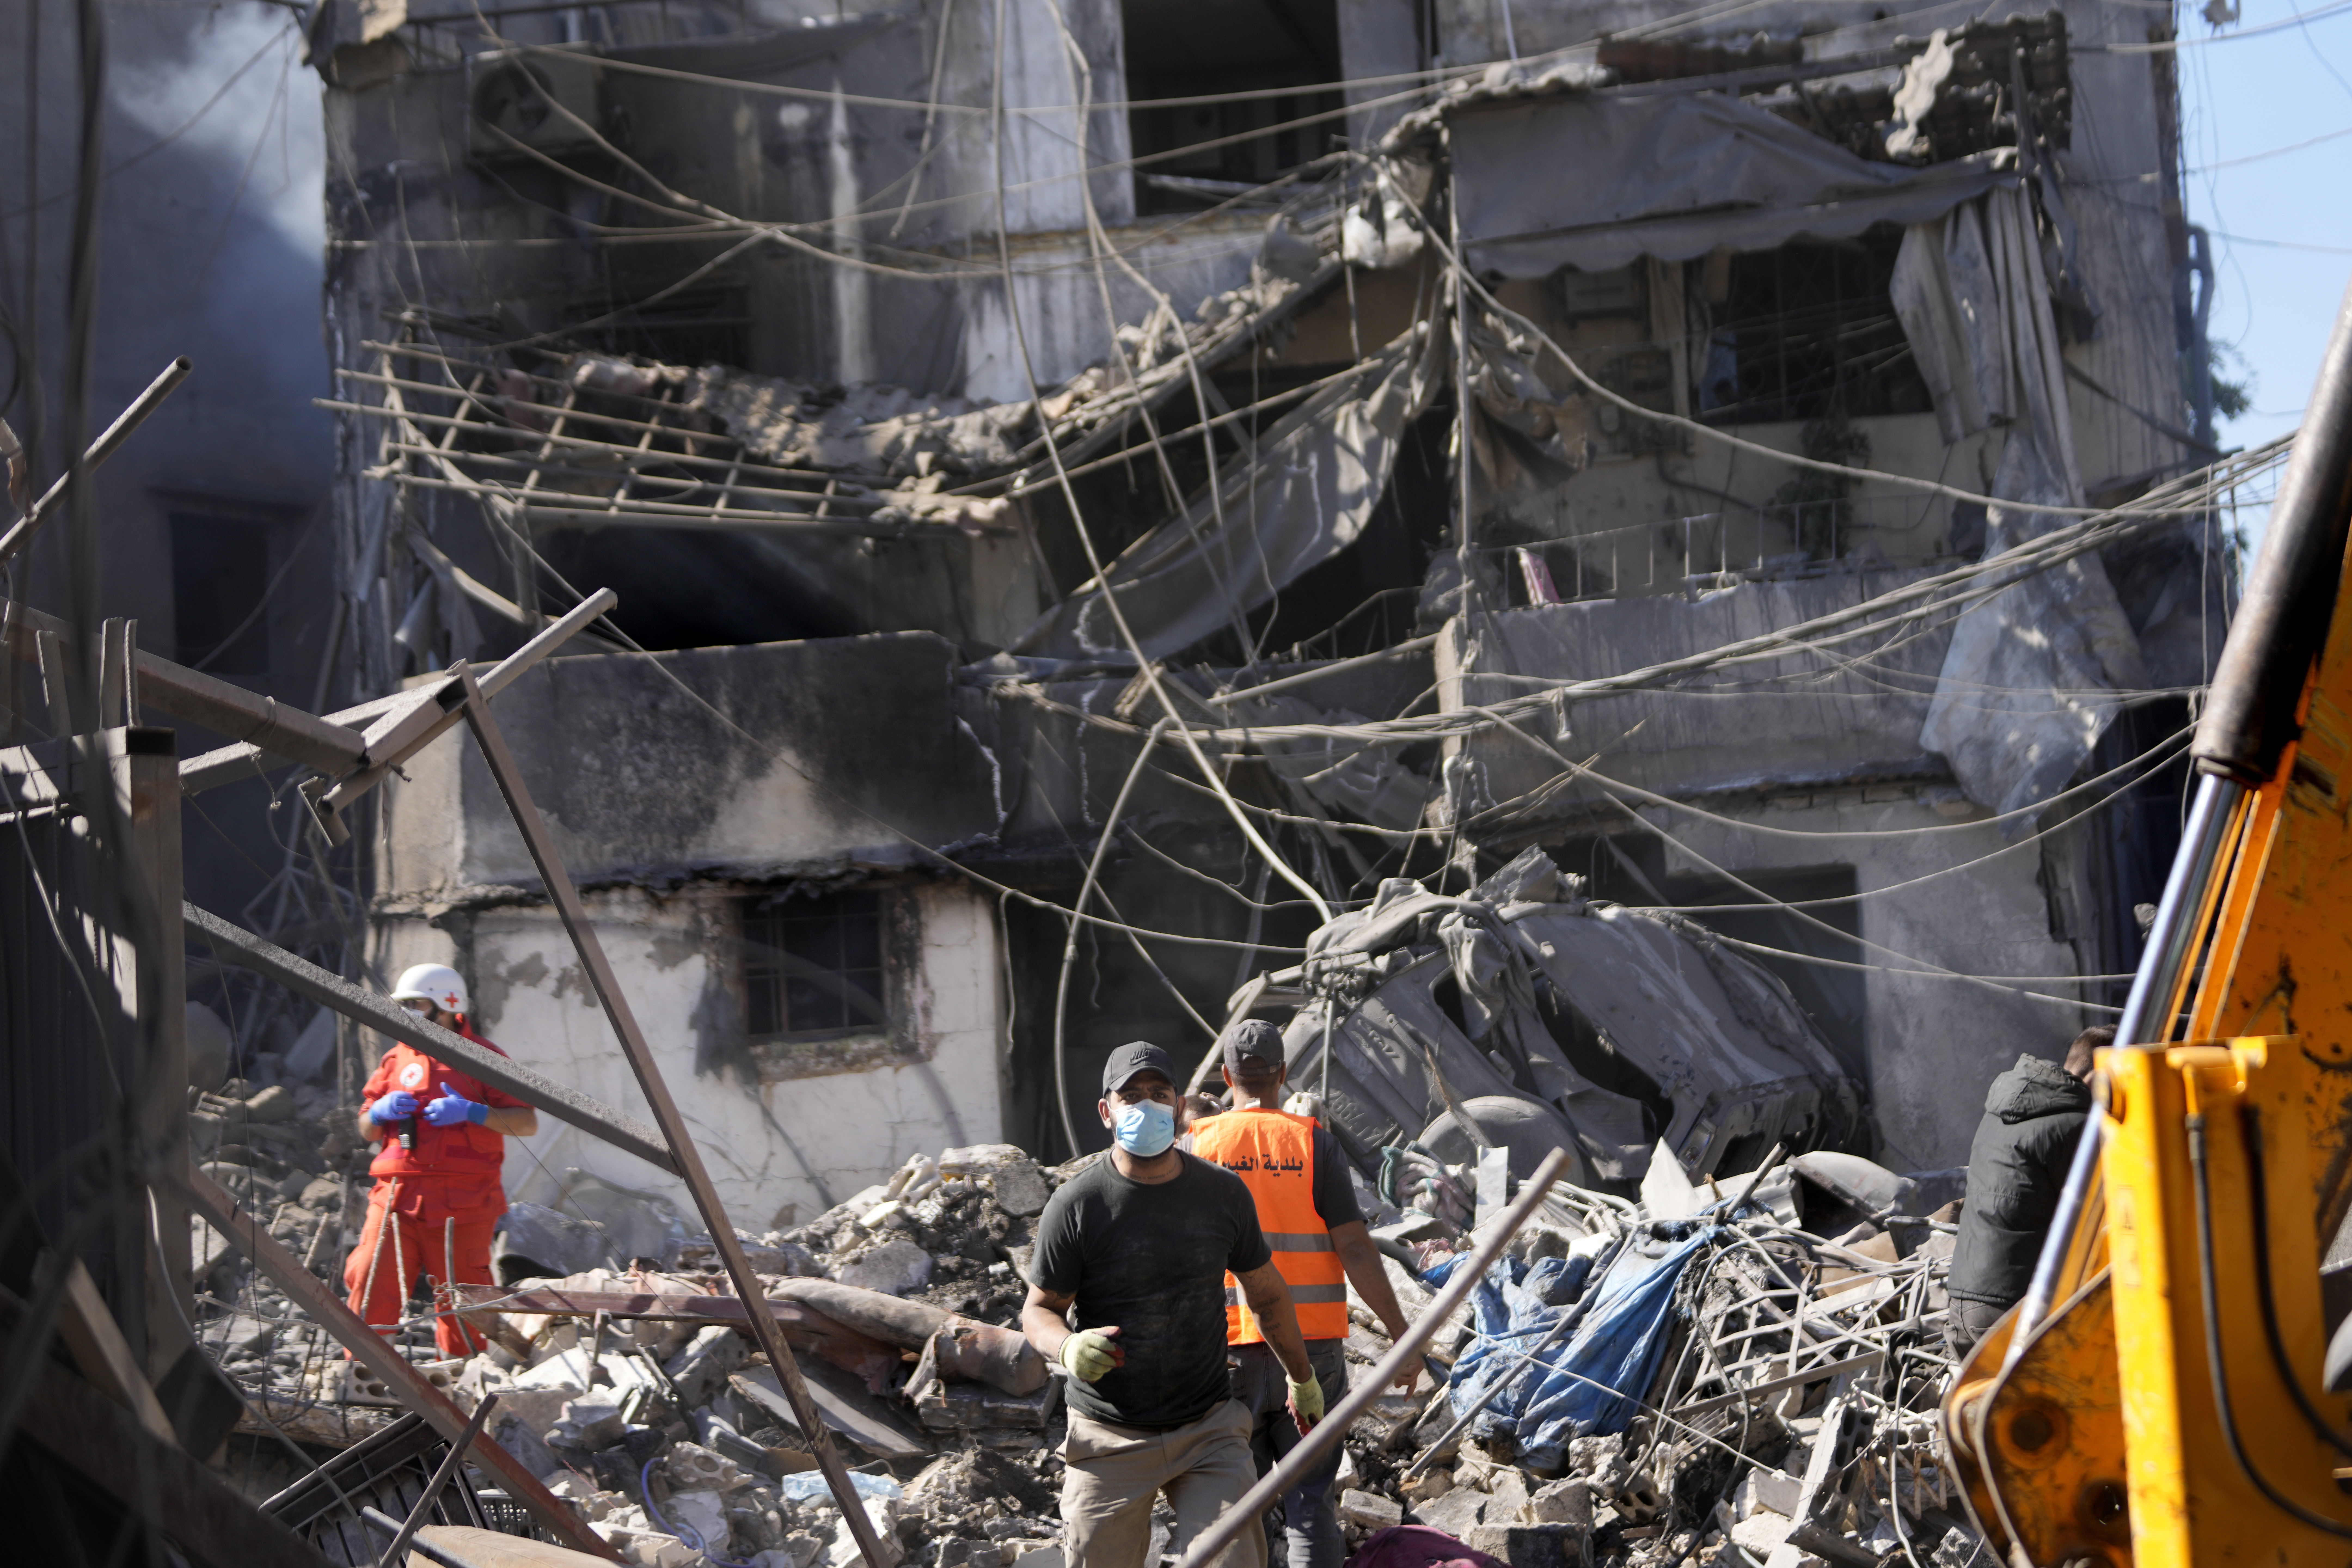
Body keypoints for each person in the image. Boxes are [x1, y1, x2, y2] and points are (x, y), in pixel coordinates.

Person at [1024, 1043, 1322, 1568]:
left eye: (1159, 1095)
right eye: (1131, 1096)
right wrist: (1067, 1347)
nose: (1146, 1107)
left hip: (1207, 1427)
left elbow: (1267, 1292)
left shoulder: (1221, 1194)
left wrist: (1302, 1378)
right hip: (1109, 1434)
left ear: (1180, 1107)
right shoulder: (1078, 1205)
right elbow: (1039, 1309)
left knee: (1236, 1559)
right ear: (1106, 1111)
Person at [1190, 1020, 1417, 1568]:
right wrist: (1400, 1334)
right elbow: (1358, 1250)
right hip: (1312, 1356)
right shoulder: (1314, 1142)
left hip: (1227, 1352)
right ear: (1284, 1076)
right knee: (1311, 1504)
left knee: (1237, 1508)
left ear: (1226, 1078)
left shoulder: (1195, 1145)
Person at [343, 963, 537, 1357]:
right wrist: (378, 1113)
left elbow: (527, 1122)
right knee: (370, 1278)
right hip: (396, 1196)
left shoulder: (485, 1058)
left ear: (448, 1004)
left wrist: (473, 1112)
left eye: (417, 1003)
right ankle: (363, 1376)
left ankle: (460, 1381)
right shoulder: (395, 1060)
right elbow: (365, 1129)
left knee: (465, 1299)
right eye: (404, 1005)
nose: (408, 1013)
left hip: (464, 1204)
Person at [1944, 1025, 2106, 1357]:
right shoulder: (2075, 1127)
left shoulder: (1999, 1113)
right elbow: (2105, 1216)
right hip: (2009, 1312)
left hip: (1962, 1305)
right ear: (2102, 1076)